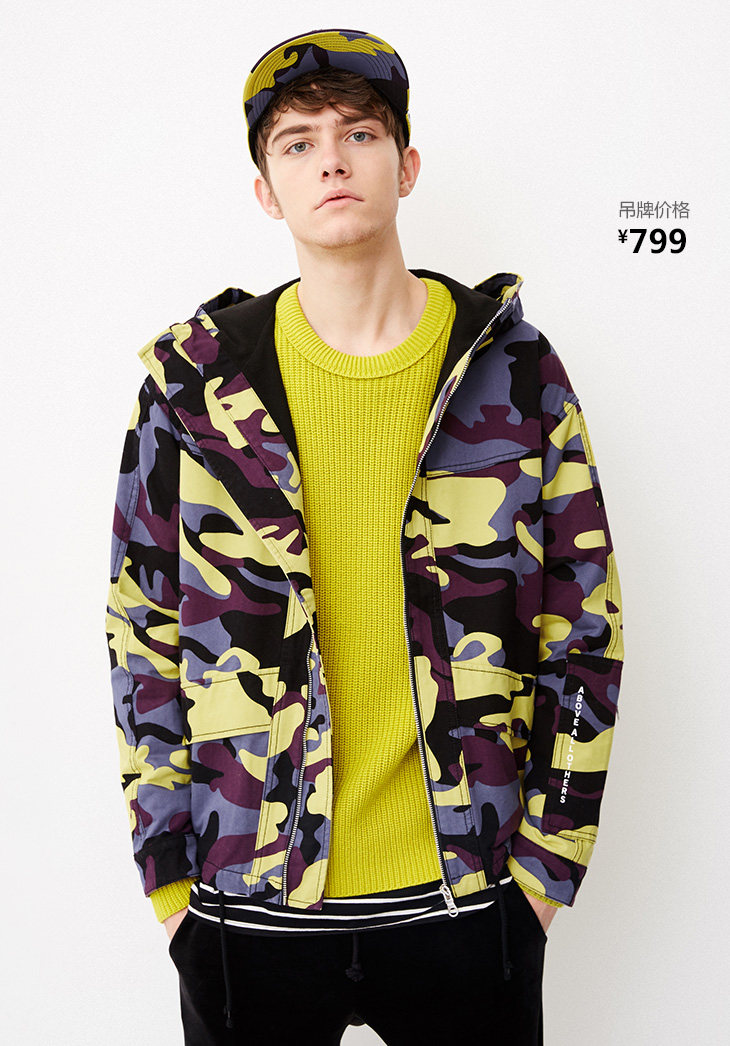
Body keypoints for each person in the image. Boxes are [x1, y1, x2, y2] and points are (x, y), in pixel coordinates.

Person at [105, 27, 624, 1046]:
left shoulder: (513, 369)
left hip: (468, 903)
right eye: (297, 143)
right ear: (267, 190)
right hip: (245, 912)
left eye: (359, 133)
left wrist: (546, 864)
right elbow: (142, 636)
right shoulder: (193, 391)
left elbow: (586, 627)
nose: (331, 160)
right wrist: (171, 885)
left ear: (406, 164)